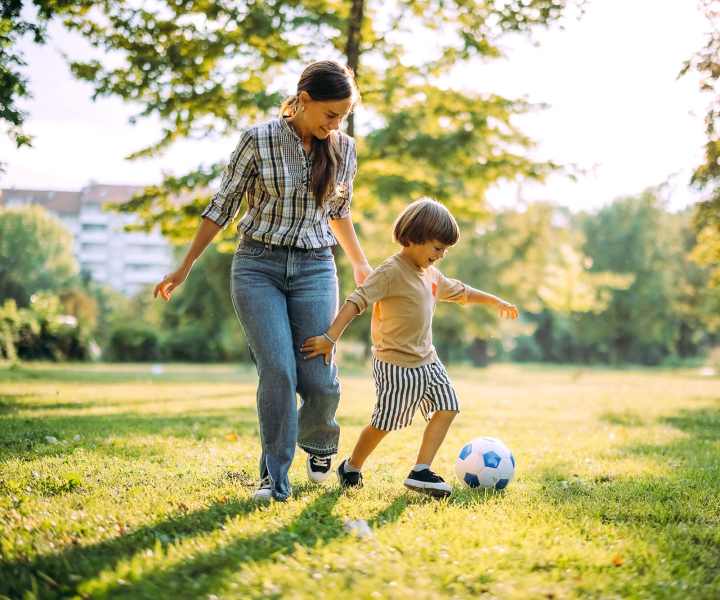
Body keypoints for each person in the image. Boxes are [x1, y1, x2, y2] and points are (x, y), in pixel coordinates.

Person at [154, 60, 372, 503]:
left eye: (343, 116)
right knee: (277, 371)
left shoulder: (343, 148)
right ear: (303, 101)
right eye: (331, 115)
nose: (336, 124)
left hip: (315, 267)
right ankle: (274, 479)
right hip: (258, 266)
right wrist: (186, 265)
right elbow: (223, 206)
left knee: (320, 379)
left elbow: (338, 211)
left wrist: (361, 264)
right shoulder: (258, 140)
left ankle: (319, 441)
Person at [301, 198, 519, 498]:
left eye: (445, 250)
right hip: (395, 364)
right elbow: (357, 302)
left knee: (448, 406)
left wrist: (495, 301)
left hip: (428, 359)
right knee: (384, 422)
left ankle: (420, 470)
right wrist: (330, 337)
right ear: (415, 237)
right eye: (437, 248)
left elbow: (461, 292)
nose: (441, 255)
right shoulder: (391, 272)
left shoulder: (431, 275)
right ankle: (351, 466)